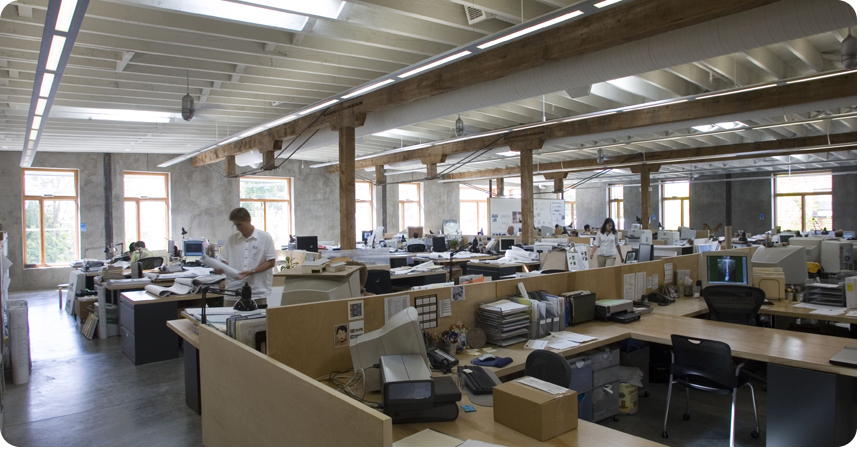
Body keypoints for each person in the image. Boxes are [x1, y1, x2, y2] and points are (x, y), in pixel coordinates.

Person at [217, 207, 277, 307]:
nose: (238, 228)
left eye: (240, 224)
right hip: (233, 290)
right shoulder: (232, 239)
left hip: (257, 291)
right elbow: (224, 261)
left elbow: (271, 262)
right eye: (235, 225)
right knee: (228, 320)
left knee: (257, 321)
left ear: (249, 220)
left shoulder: (265, 237)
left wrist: (252, 271)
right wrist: (220, 268)